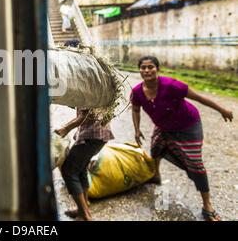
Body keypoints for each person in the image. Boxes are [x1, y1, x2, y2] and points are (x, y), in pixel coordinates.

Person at [131, 55, 233, 221]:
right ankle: (155, 175)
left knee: (195, 164)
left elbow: (199, 98)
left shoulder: (172, 85)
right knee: (156, 148)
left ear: (158, 69)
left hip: (188, 127)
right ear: (139, 70)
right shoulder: (136, 91)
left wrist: (222, 110)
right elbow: (135, 109)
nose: (147, 70)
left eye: (151, 67)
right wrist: (136, 130)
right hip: (164, 127)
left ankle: (207, 205)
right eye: (143, 67)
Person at [56, 108, 114, 221]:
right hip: (99, 133)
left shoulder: (91, 90)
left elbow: (88, 115)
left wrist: (65, 128)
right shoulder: (102, 90)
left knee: (69, 170)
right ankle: (83, 207)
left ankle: (84, 215)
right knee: (81, 170)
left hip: (92, 135)